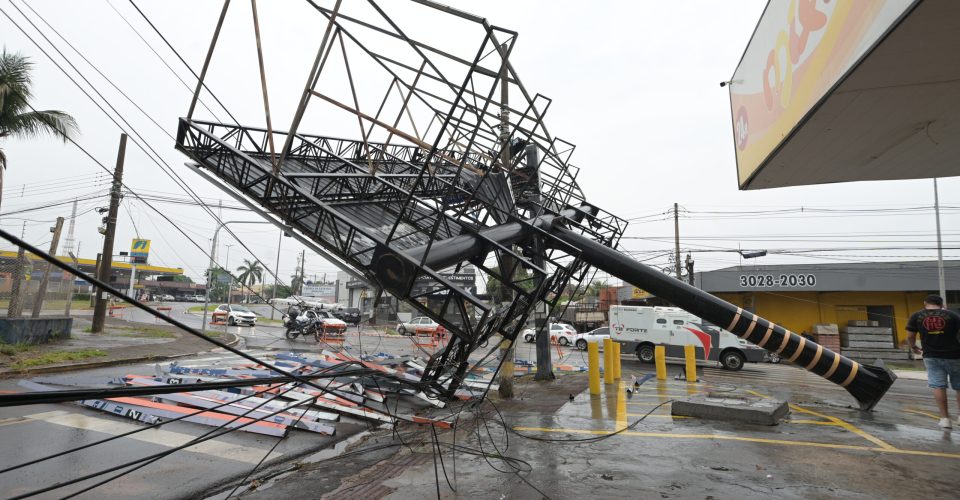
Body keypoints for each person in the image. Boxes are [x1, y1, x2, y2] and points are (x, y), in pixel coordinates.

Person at [905, 294, 960, 429]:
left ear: (925, 303)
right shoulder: (953, 316)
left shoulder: (916, 316)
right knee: (959, 386)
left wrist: (913, 347)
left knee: (938, 386)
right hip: (955, 355)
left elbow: (910, 336)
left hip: (931, 355)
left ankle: (945, 419)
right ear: (942, 304)